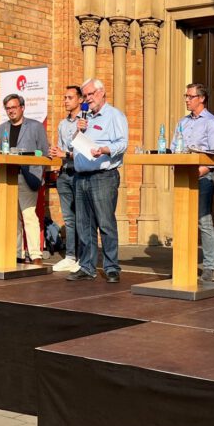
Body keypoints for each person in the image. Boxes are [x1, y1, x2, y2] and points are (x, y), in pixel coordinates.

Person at [67, 78, 128, 284]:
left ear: (102, 93)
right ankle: (87, 266)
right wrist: (79, 130)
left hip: (103, 176)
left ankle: (111, 267)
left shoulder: (114, 115)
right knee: (84, 225)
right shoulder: (84, 118)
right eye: (85, 95)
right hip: (81, 176)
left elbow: (123, 143)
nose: (87, 98)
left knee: (105, 223)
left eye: (91, 94)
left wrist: (104, 149)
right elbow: (71, 145)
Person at [176, 83, 214, 282]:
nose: (187, 99)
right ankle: (182, 265)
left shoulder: (212, 123)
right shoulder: (183, 122)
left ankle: (209, 267)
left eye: (190, 96)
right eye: (185, 96)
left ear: (202, 98)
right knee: (182, 221)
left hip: (203, 178)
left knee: (203, 222)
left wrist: (197, 172)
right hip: (182, 177)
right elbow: (174, 148)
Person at [0, 94, 50, 263]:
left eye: (14, 107)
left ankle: (35, 255)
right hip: (7, 177)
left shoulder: (35, 126)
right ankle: (17, 253)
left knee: (28, 215)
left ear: (22, 108)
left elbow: (44, 153)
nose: (11, 111)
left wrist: (40, 175)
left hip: (28, 177)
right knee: (13, 218)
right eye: (8, 108)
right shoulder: (1, 128)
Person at [47, 85, 83, 273]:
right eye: (65, 97)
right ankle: (70, 257)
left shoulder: (86, 121)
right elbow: (60, 151)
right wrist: (55, 153)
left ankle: (83, 257)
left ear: (80, 100)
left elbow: (85, 151)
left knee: (82, 218)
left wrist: (65, 153)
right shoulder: (62, 124)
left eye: (70, 97)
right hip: (65, 174)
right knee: (69, 219)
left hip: (81, 174)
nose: (66, 101)